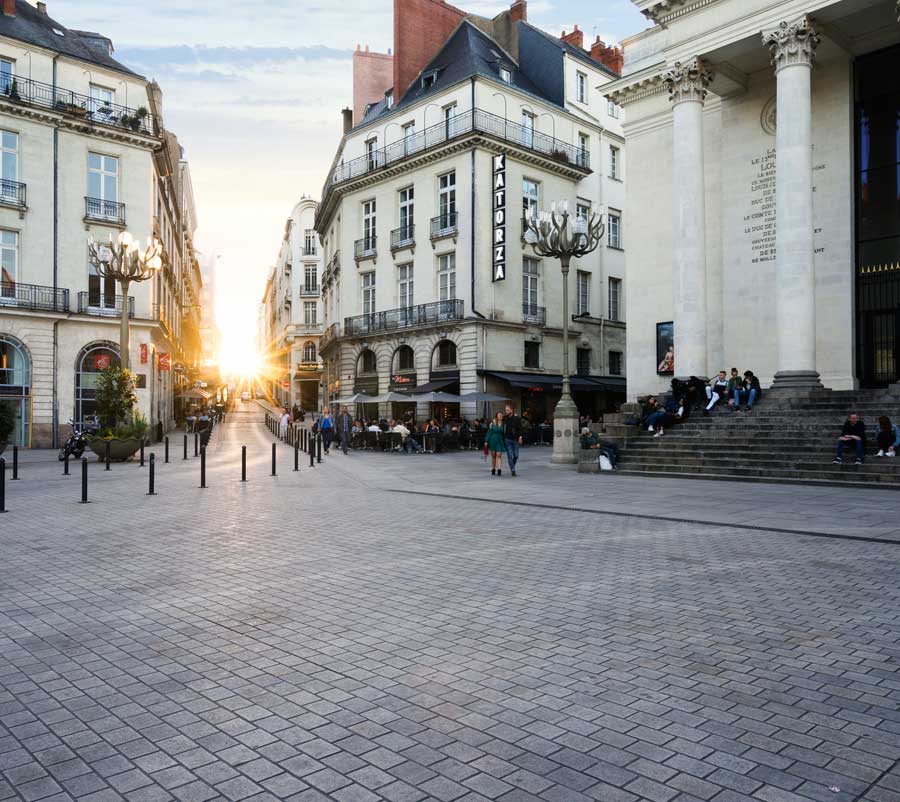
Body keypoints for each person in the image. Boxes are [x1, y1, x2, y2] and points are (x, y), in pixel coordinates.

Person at [503, 404, 523, 476]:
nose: (506, 411)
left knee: (516, 455)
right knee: (509, 455)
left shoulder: (517, 418)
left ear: (511, 410)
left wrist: (520, 437)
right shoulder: (505, 418)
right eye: (505, 410)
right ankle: (513, 470)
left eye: (507, 410)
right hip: (507, 439)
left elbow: (520, 428)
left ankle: (512, 465)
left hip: (515, 439)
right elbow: (498, 422)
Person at [484, 412, 507, 476]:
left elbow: (504, 433)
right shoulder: (492, 424)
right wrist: (486, 441)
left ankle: (499, 470)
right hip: (493, 440)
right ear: (496, 417)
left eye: (501, 415)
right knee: (493, 456)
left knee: (499, 455)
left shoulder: (504, 424)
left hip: (500, 441)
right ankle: (493, 469)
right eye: (499, 415)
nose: (500, 416)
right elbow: (489, 433)